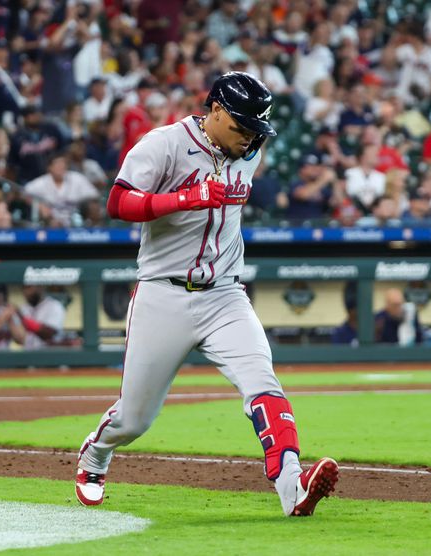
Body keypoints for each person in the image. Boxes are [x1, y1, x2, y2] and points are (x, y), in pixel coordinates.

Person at [75, 72, 339, 517]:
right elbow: (118, 203)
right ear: (214, 110)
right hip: (165, 294)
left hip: (225, 295)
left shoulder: (247, 150)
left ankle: (292, 487)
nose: (249, 139)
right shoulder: (163, 145)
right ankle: (96, 454)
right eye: (241, 127)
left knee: (263, 384)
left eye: (256, 130)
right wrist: (182, 199)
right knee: (135, 418)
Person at [25, 151, 100, 227]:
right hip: (50, 220)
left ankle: (95, 233)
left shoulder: (77, 178)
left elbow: (94, 195)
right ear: (49, 167)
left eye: (63, 163)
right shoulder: (42, 182)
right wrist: (40, 206)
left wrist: (83, 207)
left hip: (76, 218)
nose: (61, 166)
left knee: (93, 206)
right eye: (57, 164)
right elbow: (23, 193)